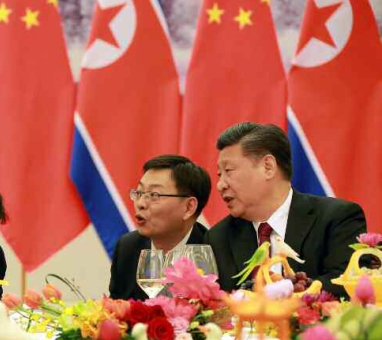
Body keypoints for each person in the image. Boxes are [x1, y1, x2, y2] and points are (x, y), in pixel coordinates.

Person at [206, 122, 366, 296]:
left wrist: (282, 296)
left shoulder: (337, 219)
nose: (220, 185)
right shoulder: (218, 237)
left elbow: (346, 285)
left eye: (229, 171)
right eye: (219, 175)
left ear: (268, 167)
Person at [109, 155, 212, 300]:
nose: (141, 203)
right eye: (139, 193)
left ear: (189, 207)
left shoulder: (214, 253)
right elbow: (117, 309)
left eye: (154, 195)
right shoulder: (128, 247)